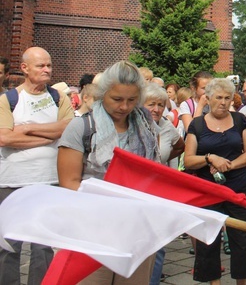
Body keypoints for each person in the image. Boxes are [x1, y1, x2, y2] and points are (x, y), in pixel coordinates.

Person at [58, 60, 160, 283]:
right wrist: (111, 201)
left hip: (136, 231)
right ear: (102, 94)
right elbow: (69, 182)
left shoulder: (148, 127)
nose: (124, 106)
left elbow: (154, 173)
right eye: (117, 99)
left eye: (132, 100)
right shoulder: (81, 128)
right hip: (91, 230)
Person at [0, 47, 75, 285]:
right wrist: (49, 136)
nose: (47, 70)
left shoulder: (59, 98)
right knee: (7, 245)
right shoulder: (8, 100)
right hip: (11, 181)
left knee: (43, 247)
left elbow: (68, 129)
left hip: (48, 181)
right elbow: (5, 138)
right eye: (41, 66)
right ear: (24, 68)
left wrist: (27, 128)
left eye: (49, 65)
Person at [183, 78, 246, 285]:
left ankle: (241, 282)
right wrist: (209, 158)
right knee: (208, 240)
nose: (223, 102)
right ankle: (214, 282)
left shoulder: (240, 119)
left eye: (227, 98)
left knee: (241, 238)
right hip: (208, 189)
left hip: (237, 187)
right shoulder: (197, 125)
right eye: (218, 98)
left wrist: (230, 165)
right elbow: (188, 159)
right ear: (208, 98)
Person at [142, 83, 185, 285]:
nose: (157, 109)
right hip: (136, 191)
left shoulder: (166, 126)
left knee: (158, 244)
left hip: (159, 191)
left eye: (161, 105)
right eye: (151, 104)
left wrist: (163, 164)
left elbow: (180, 146)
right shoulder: (133, 124)